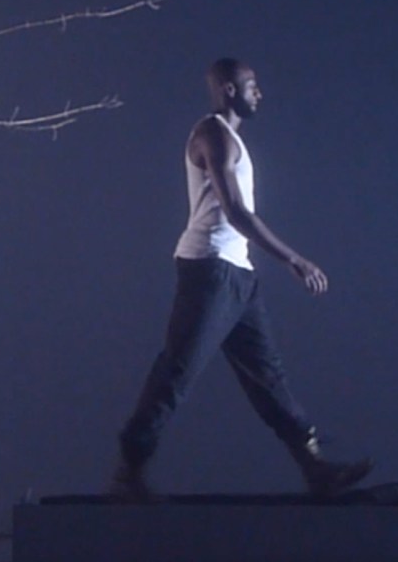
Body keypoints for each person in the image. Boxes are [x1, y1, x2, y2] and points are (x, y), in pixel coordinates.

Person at [111, 57, 374, 501]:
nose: (259, 93)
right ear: (228, 89)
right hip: (209, 271)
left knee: (268, 377)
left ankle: (317, 470)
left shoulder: (230, 139)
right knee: (177, 371)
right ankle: (127, 474)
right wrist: (294, 259)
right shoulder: (213, 133)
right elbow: (234, 211)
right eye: (251, 85)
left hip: (237, 275)